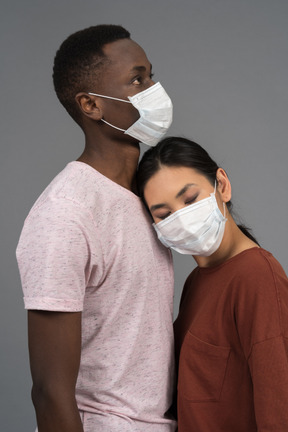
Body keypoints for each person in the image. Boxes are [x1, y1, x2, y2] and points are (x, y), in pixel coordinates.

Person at [16, 25, 177, 432]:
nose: (153, 89)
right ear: (90, 104)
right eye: (137, 79)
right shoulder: (66, 213)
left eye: (151, 75)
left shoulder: (147, 197)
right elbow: (49, 390)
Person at [137, 136, 288, 432]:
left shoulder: (256, 276)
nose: (182, 219)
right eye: (164, 215)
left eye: (190, 199)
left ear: (222, 184)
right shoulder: (196, 283)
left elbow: (280, 408)